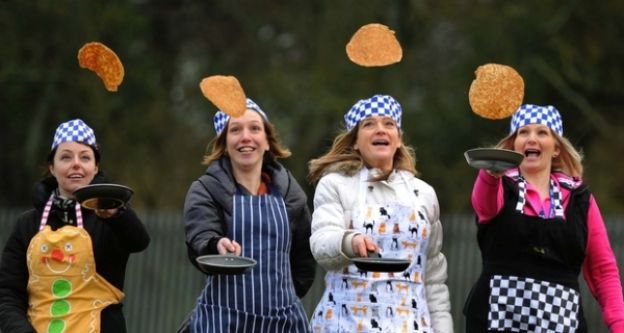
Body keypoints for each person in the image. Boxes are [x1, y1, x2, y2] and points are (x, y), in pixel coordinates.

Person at [463, 104, 624, 332]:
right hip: (497, 320)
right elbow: (484, 204)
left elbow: (602, 271)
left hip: (561, 323)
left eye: (542, 132)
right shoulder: (499, 185)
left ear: (556, 148)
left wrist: (619, 325)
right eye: (523, 132)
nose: (531, 139)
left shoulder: (580, 199)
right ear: (513, 145)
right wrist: (491, 171)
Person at [308, 94, 454, 333]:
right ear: (354, 141)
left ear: (398, 139)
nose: (380, 130)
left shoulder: (424, 194)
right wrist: (349, 241)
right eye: (369, 124)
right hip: (345, 325)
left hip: (411, 326)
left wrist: (443, 329)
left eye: (389, 124)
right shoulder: (334, 184)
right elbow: (322, 243)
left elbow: (434, 278)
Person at [0, 118, 150, 333]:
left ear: (95, 167)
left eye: (85, 157)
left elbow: (139, 241)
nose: (76, 164)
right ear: (52, 167)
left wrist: (117, 213)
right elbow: (8, 294)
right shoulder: (27, 224)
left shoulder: (109, 216)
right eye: (66, 157)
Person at [182, 98, 315, 332]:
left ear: (267, 141)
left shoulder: (291, 195)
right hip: (222, 321)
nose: (246, 137)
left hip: (284, 323)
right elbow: (200, 236)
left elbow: (304, 261)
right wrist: (216, 245)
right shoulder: (205, 189)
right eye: (235, 130)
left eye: (255, 128)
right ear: (224, 144)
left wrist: (278, 301)